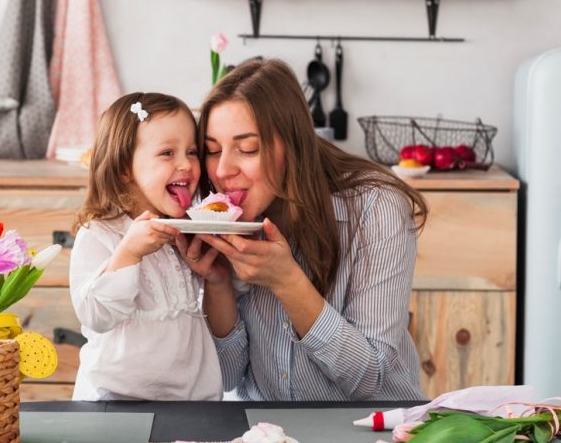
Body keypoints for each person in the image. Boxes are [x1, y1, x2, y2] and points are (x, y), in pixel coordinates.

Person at [178, 58, 427, 401]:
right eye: (212, 150)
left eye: (248, 148)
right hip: (267, 439)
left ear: (292, 146)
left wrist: (287, 281)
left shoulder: (376, 208)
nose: (222, 170)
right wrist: (218, 283)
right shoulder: (224, 217)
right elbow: (227, 377)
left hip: (371, 433)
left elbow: (369, 378)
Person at [70, 93, 222, 401]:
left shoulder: (183, 232)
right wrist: (129, 253)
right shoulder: (99, 234)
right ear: (125, 167)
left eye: (192, 152)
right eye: (168, 153)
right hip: (114, 401)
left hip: (192, 402)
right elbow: (95, 315)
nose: (186, 164)